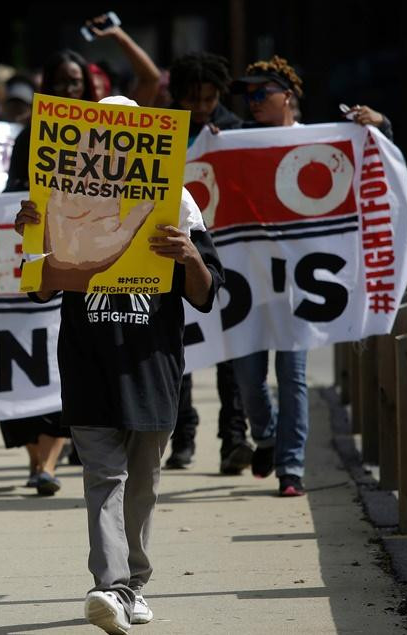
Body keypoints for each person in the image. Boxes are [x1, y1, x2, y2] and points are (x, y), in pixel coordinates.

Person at [15, 96, 224, 634]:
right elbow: (38, 290)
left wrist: (190, 255)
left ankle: (134, 585)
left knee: (143, 485)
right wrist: (32, 237)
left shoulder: (177, 204)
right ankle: (110, 587)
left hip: (152, 368)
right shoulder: (60, 200)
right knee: (103, 479)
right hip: (88, 366)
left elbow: (206, 295)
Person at [228, 55, 392, 496]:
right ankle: (265, 436)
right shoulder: (236, 140)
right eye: (249, 94)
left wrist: (379, 123)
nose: (253, 101)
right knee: (246, 375)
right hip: (253, 280)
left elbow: (377, 156)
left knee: (292, 374)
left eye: (262, 92)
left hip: (302, 283)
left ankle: (291, 468)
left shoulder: (321, 140)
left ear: (289, 96)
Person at [1, 48, 98, 495]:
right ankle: (38, 461)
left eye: (76, 82)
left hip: (93, 262)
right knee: (34, 357)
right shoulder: (30, 136)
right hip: (42, 257)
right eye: (61, 82)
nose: (70, 90)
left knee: (70, 361)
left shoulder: (108, 131)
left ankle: (50, 462)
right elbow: (9, 194)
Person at [163, 52, 251, 473]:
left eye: (209, 99)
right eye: (192, 100)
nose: (200, 108)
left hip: (226, 256)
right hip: (177, 254)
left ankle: (234, 437)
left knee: (229, 352)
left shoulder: (234, 130)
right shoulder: (162, 133)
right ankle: (183, 436)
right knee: (181, 351)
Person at [82, 14, 162, 106]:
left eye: (94, 87)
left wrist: (117, 34)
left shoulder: (124, 110)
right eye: (87, 87)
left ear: (107, 88)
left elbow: (150, 79)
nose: (70, 89)